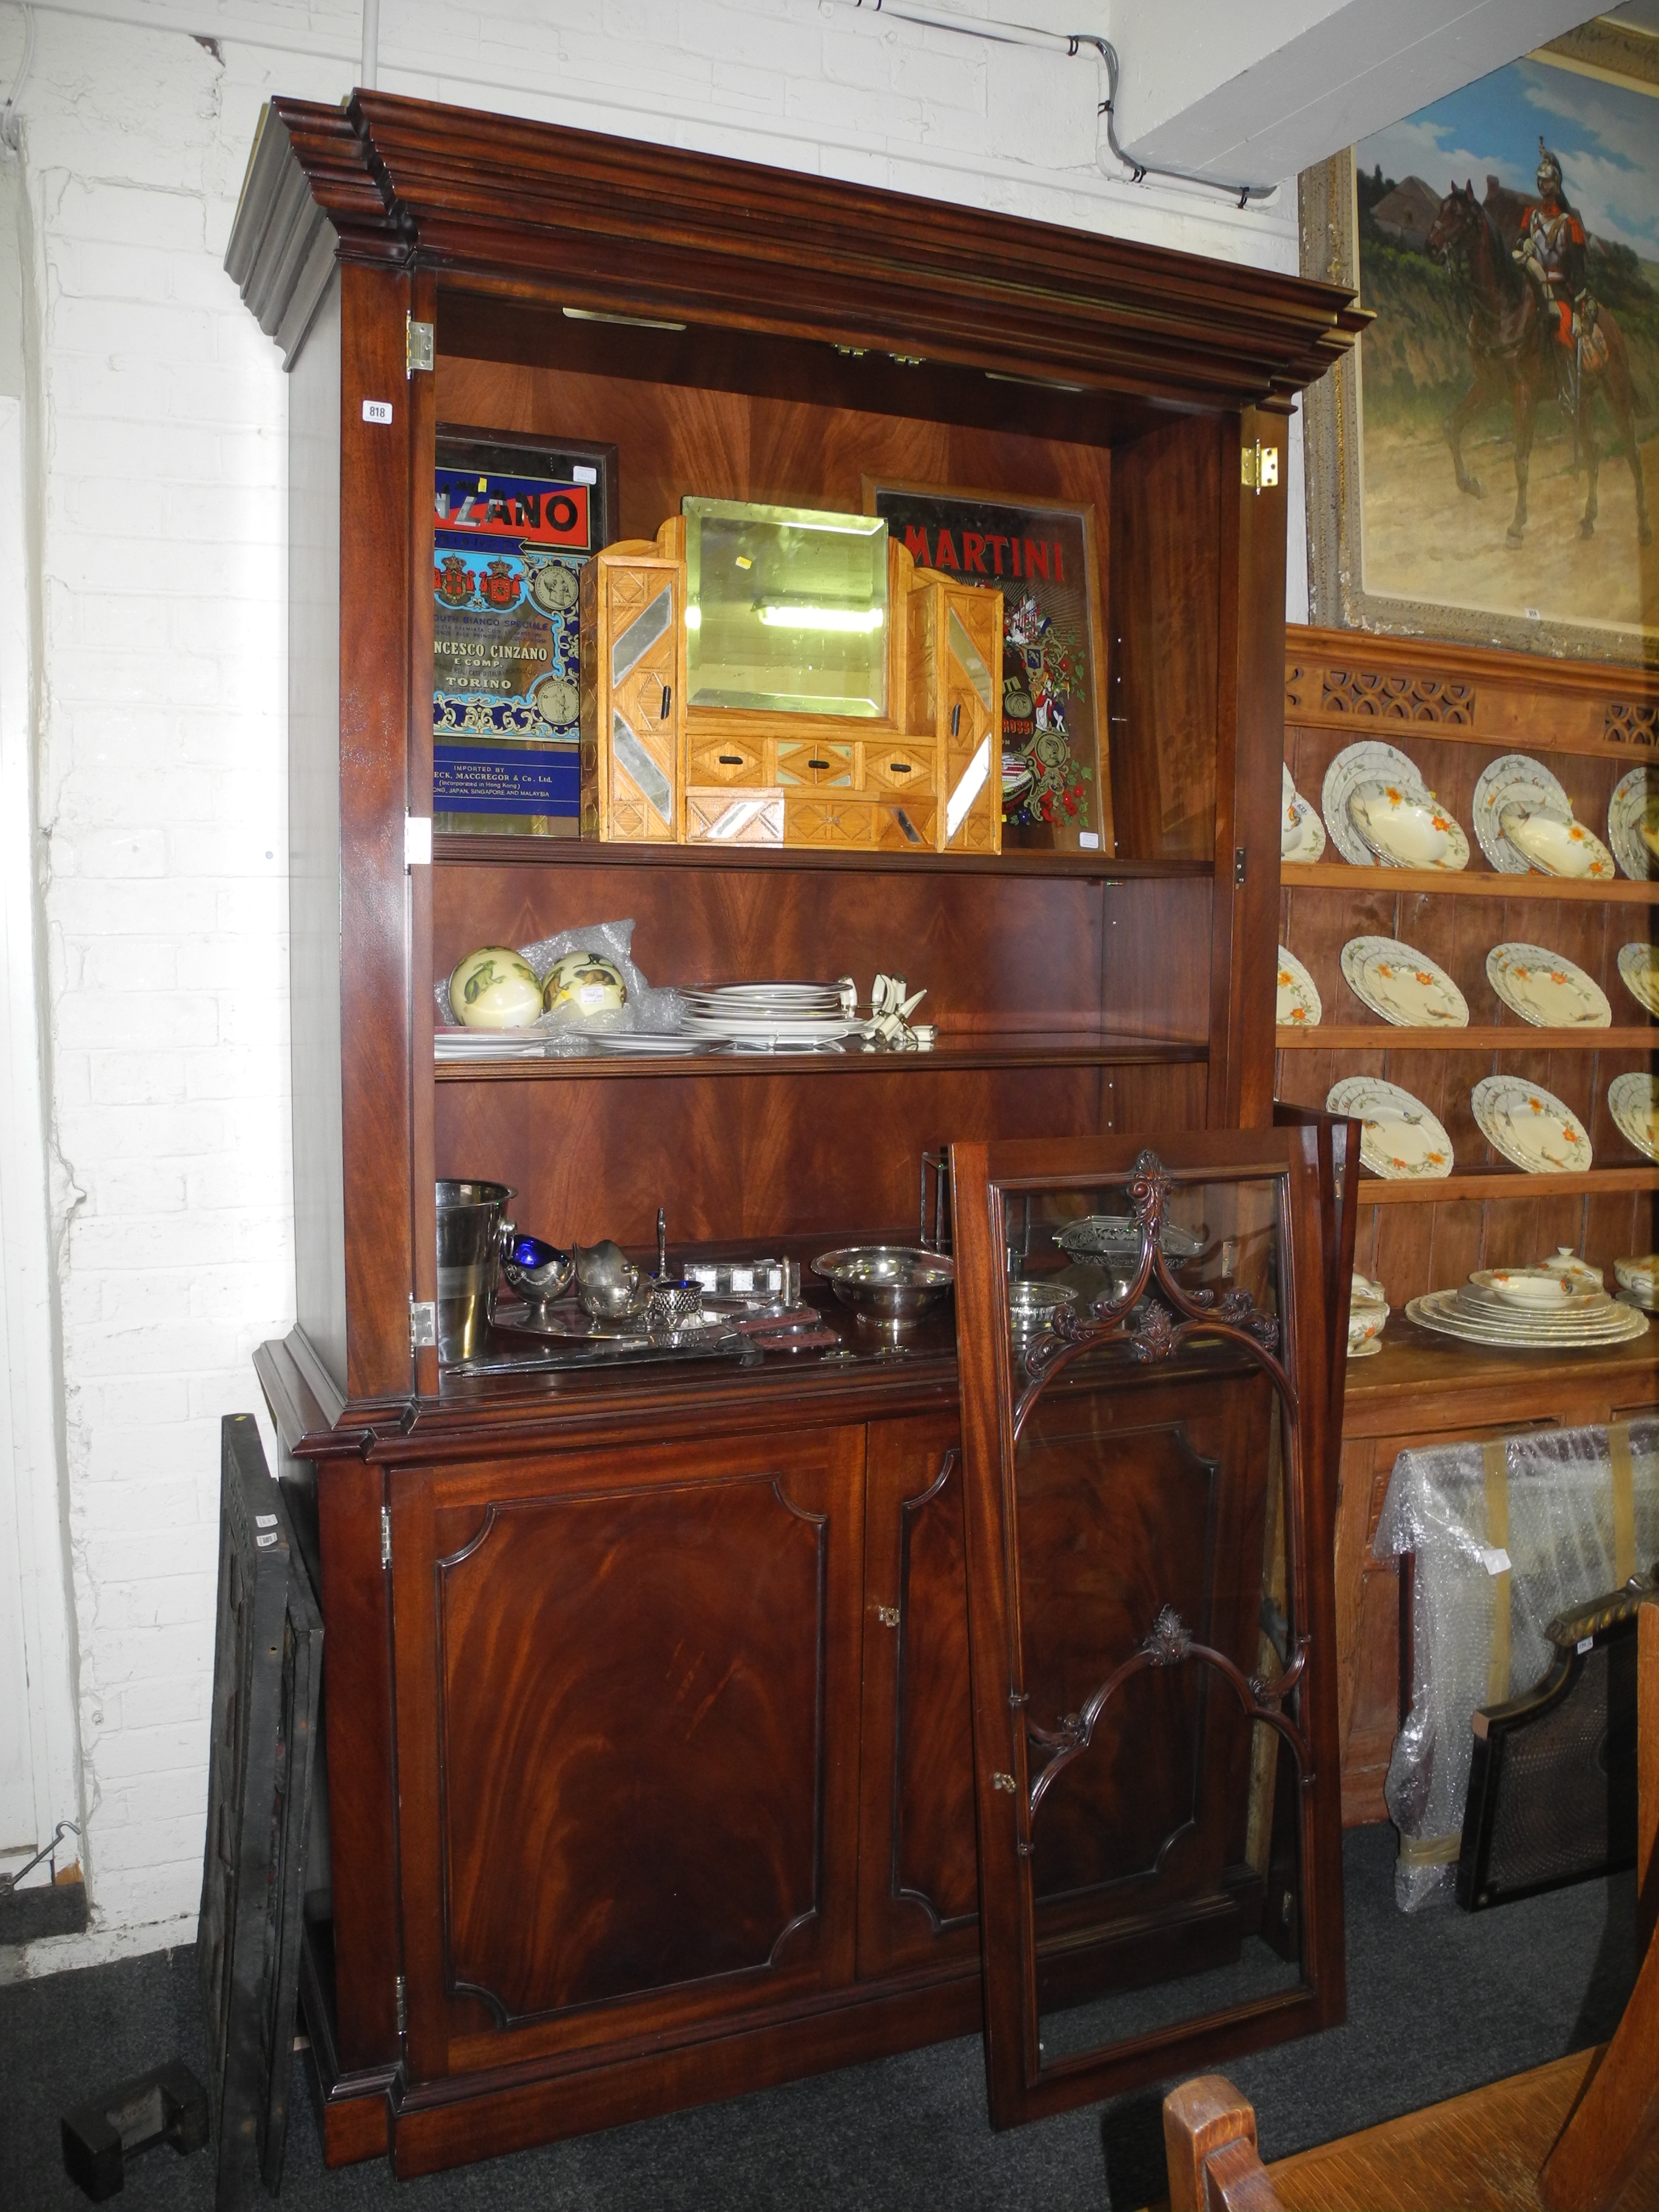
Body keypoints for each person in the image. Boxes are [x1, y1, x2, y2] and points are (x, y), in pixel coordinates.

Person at [1513, 138, 1594, 412]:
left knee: (1561, 330)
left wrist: (1580, 310)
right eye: (1539, 180)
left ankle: (1568, 390)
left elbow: (1579, 271)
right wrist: (1522, 243)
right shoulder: (1532, 216)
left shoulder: (1570, 224)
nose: (1542, 186)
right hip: (1531, 284)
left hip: (1559, 289)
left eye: (1547, 181)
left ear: (1556, 184)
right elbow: (1520, 242)